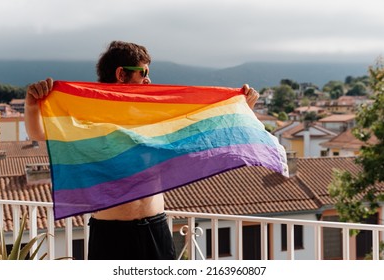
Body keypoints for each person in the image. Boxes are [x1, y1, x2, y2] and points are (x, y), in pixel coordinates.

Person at [24, 40, 260, 260]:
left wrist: (241, 107)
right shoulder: (87, 115)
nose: (149, 80)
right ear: (121, 73)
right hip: (111, 235)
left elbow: (204, 125)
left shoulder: (152, 116)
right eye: (143, 72)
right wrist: (32, 104)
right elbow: (38, 133)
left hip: (155, 227)